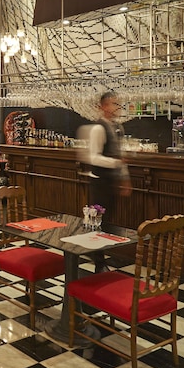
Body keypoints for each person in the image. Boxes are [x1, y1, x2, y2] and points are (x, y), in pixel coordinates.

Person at [79, 91, 132, 272]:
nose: (117, 107)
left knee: (108, 222)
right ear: (103, 107)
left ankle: (101, 256)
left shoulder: (118, 128)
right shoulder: (98, 129)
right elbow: (93, 158)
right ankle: (99, 261)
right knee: (98, 222)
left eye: (118, 104)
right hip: (99, 182)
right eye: (113, 104)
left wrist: (125, 179)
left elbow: (119, 155)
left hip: (112, 182)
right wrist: (115, 163)